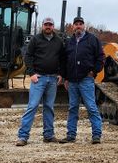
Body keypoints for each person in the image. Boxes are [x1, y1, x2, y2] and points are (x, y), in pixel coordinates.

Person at [15, 17, 65, 146]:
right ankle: (23, 136)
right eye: (46, 24)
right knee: (32, 106)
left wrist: (61, 74)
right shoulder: (36, 39)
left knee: (49, 107)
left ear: (53, 26)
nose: (48, 26)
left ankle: (48, 135)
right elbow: (28, 56)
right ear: (43, 26)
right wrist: (32, 73)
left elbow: (62, 59)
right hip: (39, 79)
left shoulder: (59, 41)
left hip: (53, 79)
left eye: (50, 25)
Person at [60, 16, 105, 144]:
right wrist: (65, 78)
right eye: (76, 24)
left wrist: (94, 71)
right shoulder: (69, 42)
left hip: (86, 79)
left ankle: (96, 135)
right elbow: (64, 61)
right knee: (73, 108)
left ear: (84, 26)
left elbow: (101, 57)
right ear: (73, 27)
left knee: (91, 107)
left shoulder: (92, 40)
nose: (78, 26)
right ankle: (71, 135)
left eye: (80, 24)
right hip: (72, 81)